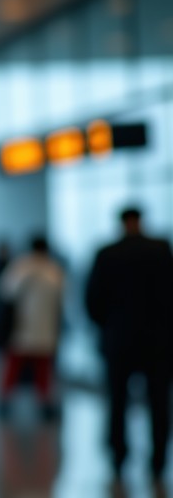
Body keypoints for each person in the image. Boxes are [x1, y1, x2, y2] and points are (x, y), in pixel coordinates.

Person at [85, 205, 173, 483]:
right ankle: (158, 456)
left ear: (122, 223)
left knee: (117, 400)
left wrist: (107, 326)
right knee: (159, 401)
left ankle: (118, 455)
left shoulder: (107, 254)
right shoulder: (161, 251)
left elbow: (92, 299)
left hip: (118, 339)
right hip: (157, 340)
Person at [0, 234, 65, 422]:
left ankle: (5, 401)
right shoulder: (54, 270)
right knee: (41, 368)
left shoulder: (20, 267)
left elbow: (4, 293)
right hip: (42, 327)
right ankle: (43, 404)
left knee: (15, 366)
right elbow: (63, 299)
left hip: (22, 326)